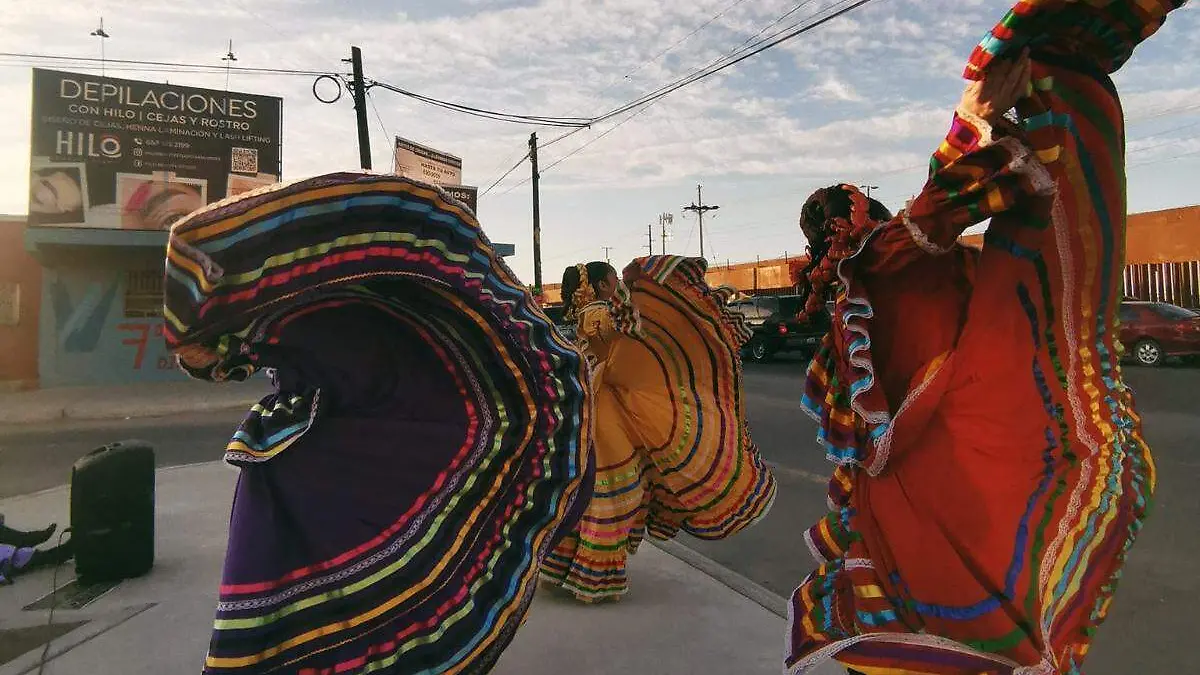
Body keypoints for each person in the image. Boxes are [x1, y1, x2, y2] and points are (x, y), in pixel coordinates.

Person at [785, 1, 1185, 674]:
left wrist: (978, 127)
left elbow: (934, 214)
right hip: (947, 472)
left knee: (912, 617)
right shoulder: (882, 262)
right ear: (867, 216)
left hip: (905, 497)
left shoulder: (859, 292)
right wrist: (972, 121)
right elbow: (933, 213)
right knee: (970, 605)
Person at [163, 172, 594, 675]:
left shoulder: (335, 338)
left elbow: (210, 346)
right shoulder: (348, 334)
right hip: (318, 468)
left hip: (321, 465)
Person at [540, 256, 777, 603]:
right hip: (606, 415)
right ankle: (593, 577)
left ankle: (568, 567)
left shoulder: (592, 315)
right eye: (613, 280)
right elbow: (626, 336)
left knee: (597, 492)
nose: (618, 286)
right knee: (616, 494)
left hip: (603, 408)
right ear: (602, 286)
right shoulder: (598, 314)